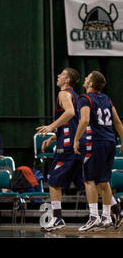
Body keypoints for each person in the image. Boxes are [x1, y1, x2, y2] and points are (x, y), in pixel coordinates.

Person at [73, 71, 123, 231]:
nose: (85, 78)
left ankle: (94, 216)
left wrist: (76, 138)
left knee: (89, 180)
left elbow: (85, 120)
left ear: (91, 84)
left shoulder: (84, 98)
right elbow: (117, 121)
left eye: (87, 77)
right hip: (110, 140)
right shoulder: (107, 99)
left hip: (94, 141)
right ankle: (107, 217)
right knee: (104, 180)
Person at [35, 68, 83, 231]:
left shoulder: (64, 94)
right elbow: (73, 122)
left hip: (68, 147)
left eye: (61, 75)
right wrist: (55, 136)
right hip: (77, 142)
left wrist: (51, 126)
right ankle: (113, 211)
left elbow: (69, 113)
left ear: (67, 80)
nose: (58, 76)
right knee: (93, 182)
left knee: (54, 180)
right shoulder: (76, 96)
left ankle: (57, 218)